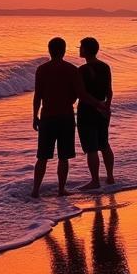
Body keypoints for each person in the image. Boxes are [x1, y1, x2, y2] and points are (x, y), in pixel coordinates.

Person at [31, 37, 80, 198]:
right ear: (64, 50)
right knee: (64, 157)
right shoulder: (72, 69)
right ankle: (61, 189)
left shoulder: (42, 69)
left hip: (47, 117)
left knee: (42, 157)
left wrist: (34, 116)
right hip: (65, 116)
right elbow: (76, 94)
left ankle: (35, 190)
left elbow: (37, 96)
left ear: (49, 50)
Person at [77, 36, 115, 190]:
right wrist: (106, 106)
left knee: (91, 148)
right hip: (103, 110)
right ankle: (110, 177)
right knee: (104, 143)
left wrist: (97, 105)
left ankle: (95, 180)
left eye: (81, 47)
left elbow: (82, 95)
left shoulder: (82, 70)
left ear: (86, 50)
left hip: (87, 110)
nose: (79, 49)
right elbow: (109, 91)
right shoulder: (105, 67)